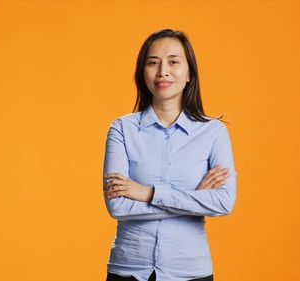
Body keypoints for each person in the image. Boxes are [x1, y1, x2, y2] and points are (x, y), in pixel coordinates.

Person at [102, 29, 237, 281]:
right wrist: (194, 200)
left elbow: (223, 202)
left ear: (189, 74)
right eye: (153, 62)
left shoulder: (213, 131)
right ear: (143, 73)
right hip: (129, 271)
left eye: (173, 62)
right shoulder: (122, 129)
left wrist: (148, 193)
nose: (163, 71)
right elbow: (118, 206)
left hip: (190, 271)